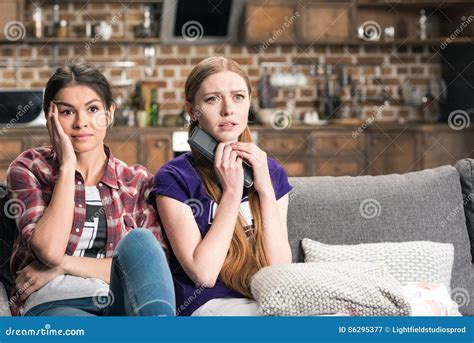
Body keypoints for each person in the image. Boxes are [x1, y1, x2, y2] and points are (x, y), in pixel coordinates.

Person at [7, 63, 175, 316]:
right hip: (57, 302)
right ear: (50, 117)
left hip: (121, 300)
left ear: (109, 114)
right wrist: (67, 167)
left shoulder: (137, 182)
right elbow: (50, 252)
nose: (81, 123)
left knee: (140, 241)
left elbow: (151, 272)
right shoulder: (30, 168)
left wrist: (64, 265)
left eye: (93, 109)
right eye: (66, 112)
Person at [151, 56, 293, 316]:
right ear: (191, 109)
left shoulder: (271, 172)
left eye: (238, 97)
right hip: (209, 306)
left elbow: (280, 268)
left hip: (266, 299)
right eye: (212, 99)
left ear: (249, 103)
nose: (228, 109)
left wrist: (265, 190)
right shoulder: (173, 179)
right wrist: (231, 193)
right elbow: (203, 274)